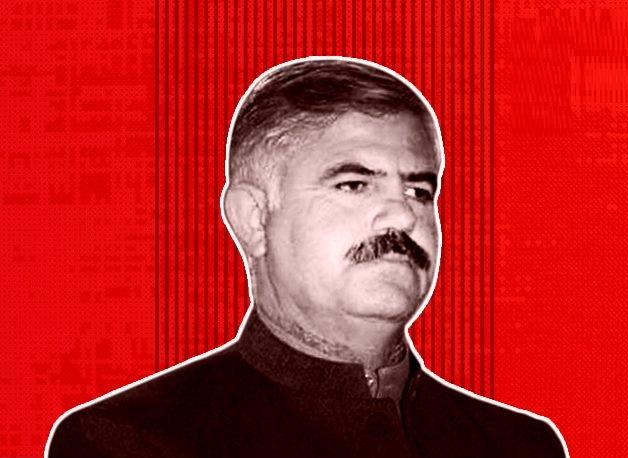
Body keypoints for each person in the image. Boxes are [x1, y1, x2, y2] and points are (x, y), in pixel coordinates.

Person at [47, 57, 567, 458]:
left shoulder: (521, 446)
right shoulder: (131, 443)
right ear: (254, 218)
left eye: (419, 191)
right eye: (354, 184)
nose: (402, 215)